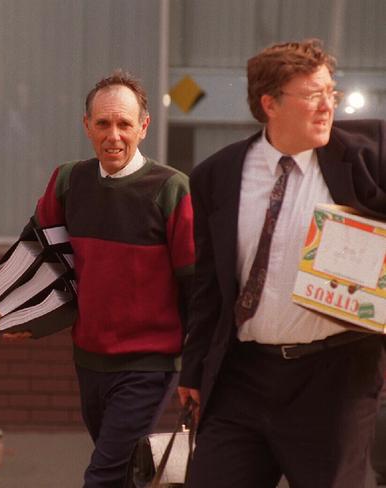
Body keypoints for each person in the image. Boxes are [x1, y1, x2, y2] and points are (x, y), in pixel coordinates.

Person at [178, 38, 386, 488]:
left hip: (335, 379)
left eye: (331, 92)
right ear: (269, 103)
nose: (327, 105)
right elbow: (210, 284)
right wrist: (194, 368)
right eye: (313, 95)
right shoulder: (217, 175)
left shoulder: (370, 156)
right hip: (242, 376)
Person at [4, 70, 194, 487]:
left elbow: (195, 284)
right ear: (86, 125)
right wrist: (22, 315)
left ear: (143, 127)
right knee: (124, 473)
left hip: (149, 362)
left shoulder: (171, 189)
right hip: (89, 358)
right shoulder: (69, 181)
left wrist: (196, 369)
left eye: (125, 124)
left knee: (103, 477)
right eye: (103, 123)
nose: (114, 135)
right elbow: (38, 254)